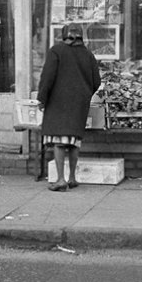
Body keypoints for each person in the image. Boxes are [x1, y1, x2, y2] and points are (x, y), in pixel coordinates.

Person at [36, 22, 101, 191]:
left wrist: (42, 98)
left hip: (58, 102)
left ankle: (60, 180)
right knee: (73, 141)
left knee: (59, 141)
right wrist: (85, 94)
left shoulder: (56, 51)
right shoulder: (88, 55)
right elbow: (97, 81)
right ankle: (72, 178)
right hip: (79, 104)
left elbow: (47, 78)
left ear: (64, 35)